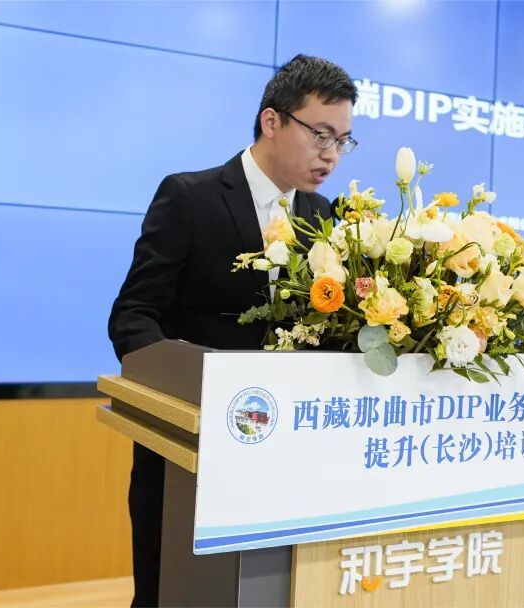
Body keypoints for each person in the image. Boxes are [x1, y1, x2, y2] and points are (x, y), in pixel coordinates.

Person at [108, 54, 357, 607]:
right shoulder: (189, 196)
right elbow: (133, 314)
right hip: (191, 453)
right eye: (320, 134)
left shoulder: (324, 216)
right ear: (272, 121)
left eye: (343, 140)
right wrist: (188, 390)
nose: (331, 154)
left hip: (285, 455)